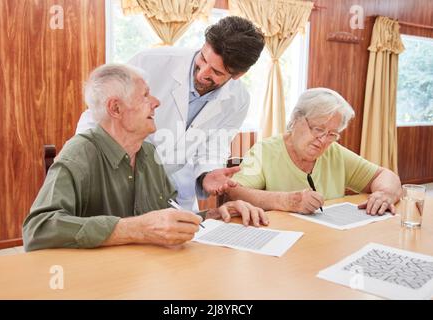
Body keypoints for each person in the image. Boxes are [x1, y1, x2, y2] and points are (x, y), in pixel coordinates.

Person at [22, 64, 268, 252]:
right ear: (115, 109)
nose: (157, 102)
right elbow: (38, 229)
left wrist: (217, 214)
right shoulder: (80, 153)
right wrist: (135, 229)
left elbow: (167, 215)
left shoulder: (148, 153)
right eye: (145, 96)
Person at [76, 16, 265, 211]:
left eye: (216, 72)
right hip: (118, 177)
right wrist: (82, 159)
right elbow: (97, 114)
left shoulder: (238, 100)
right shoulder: (150, 62)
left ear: (238, 75)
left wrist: (208, 173)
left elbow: (215, 144)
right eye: (203, 58)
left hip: (173, 190)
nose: (202, 73)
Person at [228, 88, 402, 215]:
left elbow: (385, 175)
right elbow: (236, 191)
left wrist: (384, 194)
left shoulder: (335, 153)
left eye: (332, 134)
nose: (323, 140)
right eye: (318, 129)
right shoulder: (264, 151)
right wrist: (287, 201)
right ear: (296, 119)